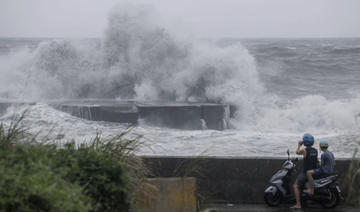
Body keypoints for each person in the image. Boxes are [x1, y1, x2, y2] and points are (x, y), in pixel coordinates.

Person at [290, 133, 318, 209]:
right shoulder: (315, 150)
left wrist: (299, 144)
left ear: (305, 141)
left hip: (306, 173)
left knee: (295, 186)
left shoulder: (304, 150)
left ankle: (298, 204)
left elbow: (297, 152)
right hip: (314, 171)